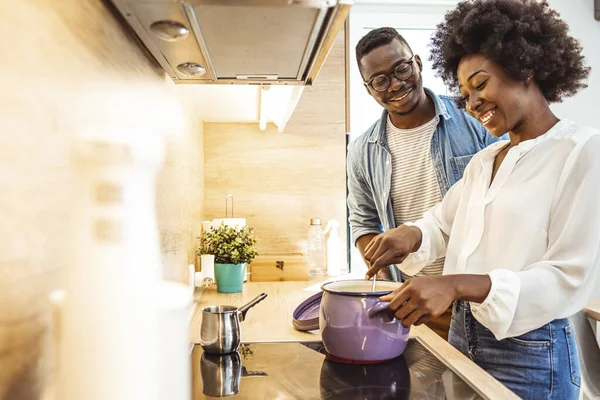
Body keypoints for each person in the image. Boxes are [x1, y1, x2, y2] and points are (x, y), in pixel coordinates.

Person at [363, 1, 596, 399]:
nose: (471, 104)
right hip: (462, 337)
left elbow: (566, 277)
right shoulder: (485, 160)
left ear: (523, 66)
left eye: (481, 84)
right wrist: (411, 235)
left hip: (532, 354)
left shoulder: (582, 151)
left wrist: (454, 286)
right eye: (465, 93)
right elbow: (442, 222)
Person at [346, 27, 502, 339]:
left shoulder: (475, 118)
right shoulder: (362, 150)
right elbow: (363, 222)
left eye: (401, 68)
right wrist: (379, 257)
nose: (395, 84)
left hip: (475, 299)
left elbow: (508, 193)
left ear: (417, 63)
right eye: (380, 80)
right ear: (369, 89)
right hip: (411, 304)